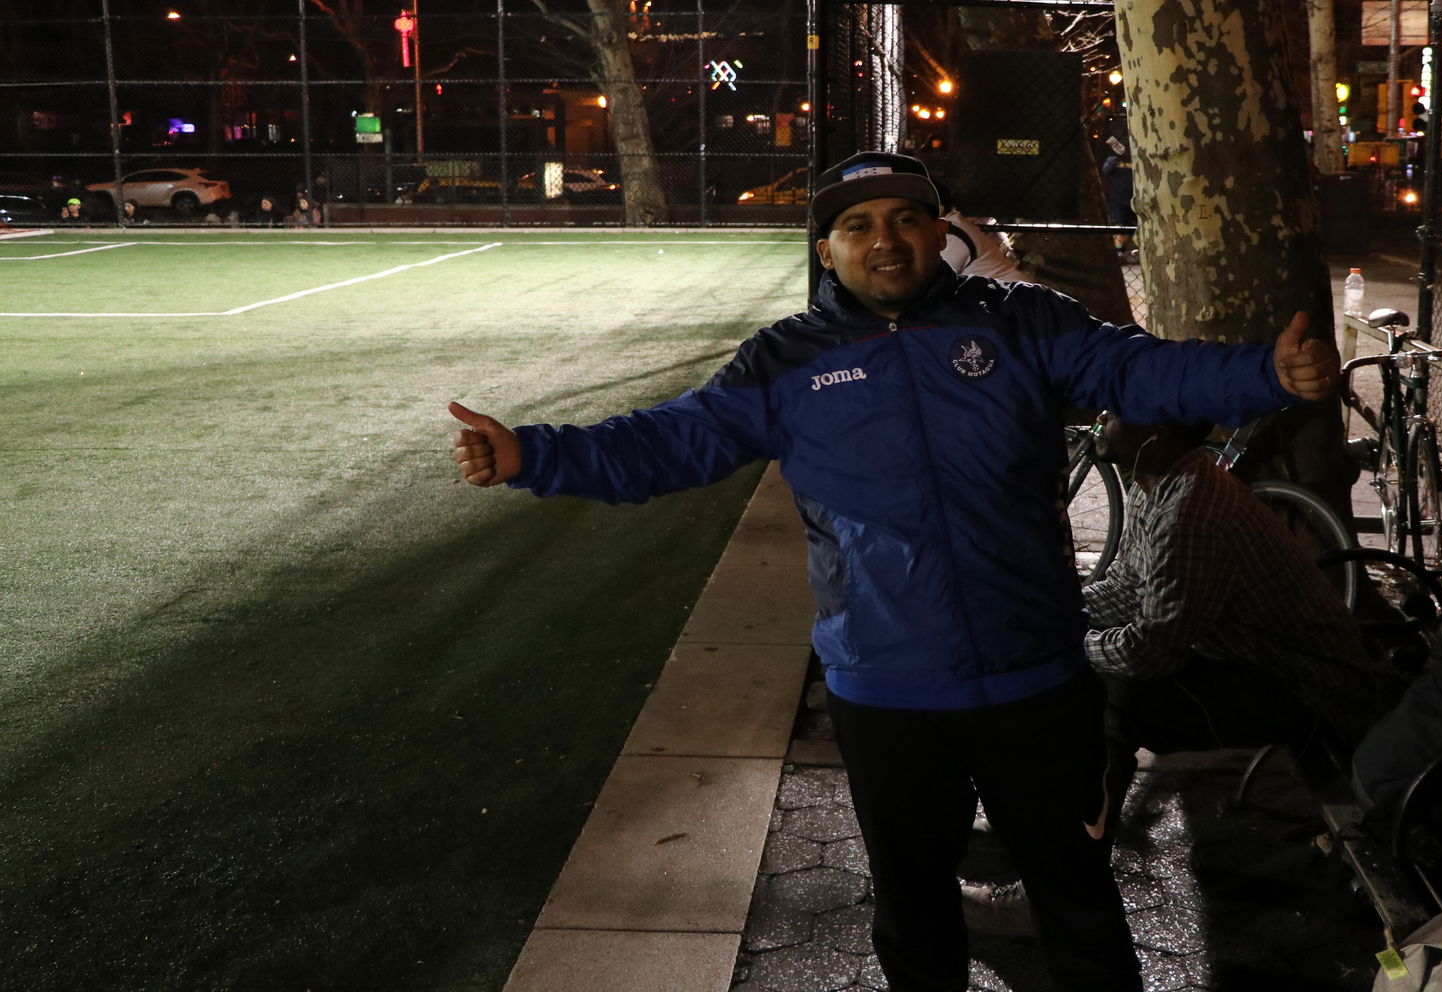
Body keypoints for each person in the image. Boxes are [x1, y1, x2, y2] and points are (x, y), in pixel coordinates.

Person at [447, 150, 1342, 992]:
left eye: (908, 218)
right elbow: (668, 443)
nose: (887, 239)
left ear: (937, 232)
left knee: (1076, 898)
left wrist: (1264, 372)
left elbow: (1140, 369)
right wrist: (531, 454)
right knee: (914, 912)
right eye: (860, 223)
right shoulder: (785, 360)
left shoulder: (1020, 324)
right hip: (887, 690)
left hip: (1036, 683)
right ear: (828, 248)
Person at [962, 411, 1396, 935]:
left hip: (1303, 693)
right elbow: (1127, 583)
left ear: (1154, 433)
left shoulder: (1193, 508)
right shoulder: (1160, 480)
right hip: (1245, 666)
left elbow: (1150, 652)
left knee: (1114, 699)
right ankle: (1032, 834)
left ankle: (1056, 896)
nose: (1101, 420)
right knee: (1087, 684)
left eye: (1115, 411)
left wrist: (1068, 646)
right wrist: (1050, 619)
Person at [1099, 137, 1136, 259]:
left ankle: (1126, 248)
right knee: (1120, 225)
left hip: (1134, 199)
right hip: (1118, 200)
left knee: (1133, 227)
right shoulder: (1113, 160)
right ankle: (1119, 251)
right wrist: (1115, 158)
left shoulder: (1136, 157)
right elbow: (1105, 171)